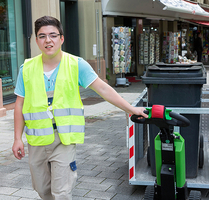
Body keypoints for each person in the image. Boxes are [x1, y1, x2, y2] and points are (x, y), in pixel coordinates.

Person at [12, 16, 148, 200]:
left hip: (64, 140)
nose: (48, 40)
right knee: (43, 190)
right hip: (37, 140)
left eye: (53, 35)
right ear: (36, 40)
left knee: (61, 192)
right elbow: (19, 103)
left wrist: (131, 109)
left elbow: (103, 89)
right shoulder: (26, 69)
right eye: (42, 36)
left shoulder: (76, 64)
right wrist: (17, 139)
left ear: (61, 38)